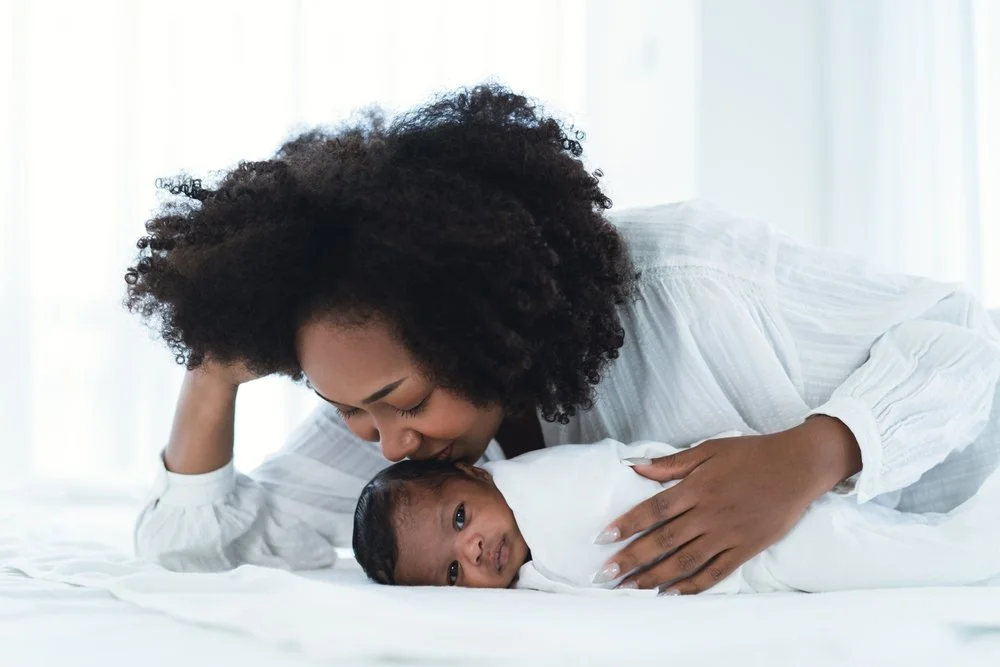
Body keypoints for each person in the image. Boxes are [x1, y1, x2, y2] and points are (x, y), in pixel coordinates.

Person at [125, 84, 1000, 592]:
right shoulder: (415, 453)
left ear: (477, 322)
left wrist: (814, 453)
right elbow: (197, 552)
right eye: (348, 411)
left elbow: (967, 340)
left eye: (404, 402)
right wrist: (211, 376)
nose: (389, 443)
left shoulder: (693, 283)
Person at [352, 438, 1000, 594]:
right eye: (451, 574)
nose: (472, 551)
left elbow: (627, 473)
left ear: (475, 472)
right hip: (740, 567)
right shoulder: (524, 572)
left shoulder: (539, 485)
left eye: (460, 517)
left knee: (888, 555)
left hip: (749, 521)